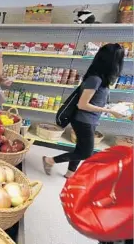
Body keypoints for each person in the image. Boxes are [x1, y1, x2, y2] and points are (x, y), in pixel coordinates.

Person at [43, 43, 126, 178]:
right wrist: (109, 111)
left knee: (80, 148)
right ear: (111, 63)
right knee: (86, 152)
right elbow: (82, 104)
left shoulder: (101, 79)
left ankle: (70, 173)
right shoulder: (95, 79)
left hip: (90, 120)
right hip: (83, 120)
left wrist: (110, 107)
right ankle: (50, 160)